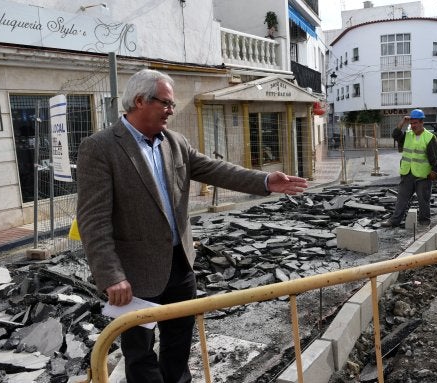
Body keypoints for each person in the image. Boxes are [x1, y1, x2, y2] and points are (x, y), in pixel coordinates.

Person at [76, 69, 308, 383]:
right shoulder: (101, 148)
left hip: (180, 266)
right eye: (166, 103)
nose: (172, 110)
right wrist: (111, 275)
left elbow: (218, 170)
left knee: (179, 346)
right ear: (141, 101)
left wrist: (266, 180)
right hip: (134, 276)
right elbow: (93, 219)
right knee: (140, 354)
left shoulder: (175, 142)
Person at [381, 109, 437, 228]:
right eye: (411, 123)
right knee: (401, 199)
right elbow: (395, 134)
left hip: (423, 176)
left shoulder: (429, 137)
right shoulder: (407, 135)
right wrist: (403, 121)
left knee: (423, 200)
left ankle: (424, 223)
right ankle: (394, 221)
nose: (413, 126)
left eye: (415, 123)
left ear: (421, 123)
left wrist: (435, 171)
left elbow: (436, 158)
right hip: (407, 173)